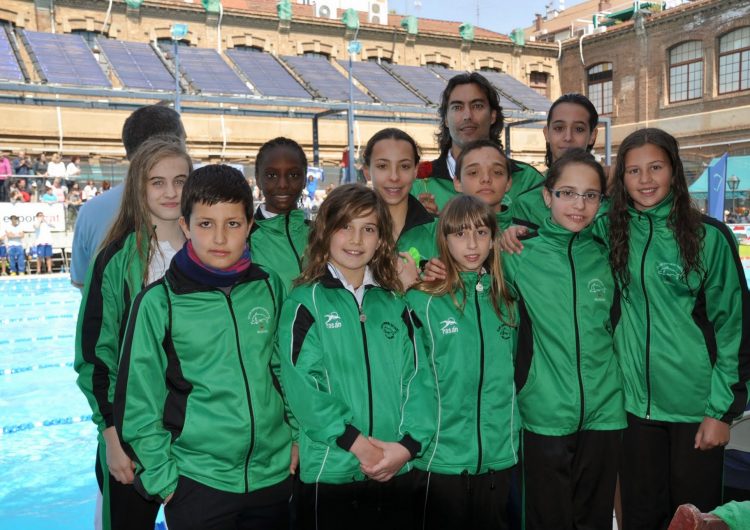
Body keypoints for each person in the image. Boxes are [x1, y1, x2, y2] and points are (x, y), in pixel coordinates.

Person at [115, 165, 292, 530]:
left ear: (249, 226)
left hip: (273, 476)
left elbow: (286, 371)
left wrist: (297, 437)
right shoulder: (159, 302)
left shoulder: (270, 286)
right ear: (185, 227)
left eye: (233, 224)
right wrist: (165, 479)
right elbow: (137, 400)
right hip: (198, 482)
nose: (220, 238)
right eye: (206, 224)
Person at [608, 128, 750, 528]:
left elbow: (734, 329)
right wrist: (515, 232)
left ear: (674, 170)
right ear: (622, 179)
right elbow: (558, 227)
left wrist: (721, 411)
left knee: (693, 519)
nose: (645, 179)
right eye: (633, 170)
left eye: (655, 167)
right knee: (641, 516)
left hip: (695, 411)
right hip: (633, 409)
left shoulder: (709, 237)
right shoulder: (610, 229)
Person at [277, 183, 436, 530]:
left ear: (381, 239)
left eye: (368, 229)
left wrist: (407, 447)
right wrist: (358, 445)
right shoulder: (305, 302)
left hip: (396, 467)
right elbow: (303, 387)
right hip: (332, 471)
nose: (355, 239)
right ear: (325, 232)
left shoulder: (395, 303)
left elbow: (419, 378)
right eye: (345, 226)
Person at [502, 149, 625, 529]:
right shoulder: (517, 252)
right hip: (543, 411)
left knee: (594, 519)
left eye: (591, 195)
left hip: (605, 412)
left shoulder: (608, 256)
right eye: (567, 193)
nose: (579, 204)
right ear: (546, 196)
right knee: (547, 520)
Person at [75, 136, 191, 530]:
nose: (172, 192)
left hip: (197, 434)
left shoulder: (211, 253)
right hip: (130, 436)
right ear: (139, 187)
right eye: (158, 182)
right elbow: (94, 356)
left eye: (181, 180)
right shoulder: (115, 259)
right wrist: (111, 437)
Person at [407, 194, 519, 530]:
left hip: (500, 458)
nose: (472, 243)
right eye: (460, 234)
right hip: (440, 460)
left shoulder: (508, 300)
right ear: (444, 239)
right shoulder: (421, 299)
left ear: (493, 238)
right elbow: (411, 381)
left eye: (481, 233)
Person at [70, 104, 186, 289]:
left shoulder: (90, 211)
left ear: (128, 151)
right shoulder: (195, 204)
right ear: (177, 146)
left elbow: (82, 283)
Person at [413, 72, 543, 214]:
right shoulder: (418, 183)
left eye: (477, 106)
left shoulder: (527, 180)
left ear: (493, 115)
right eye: (457, 107)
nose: (467, 116)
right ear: (445, 119)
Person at [510, 93, 600, 231]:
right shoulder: (526, 204)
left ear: (592, 136)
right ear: (547, 133)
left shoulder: (611, 198)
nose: (568, 137)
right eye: (559, 128)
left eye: (579, 129)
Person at [363, 127, 438, 287]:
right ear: (367, 171)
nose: (394, 177)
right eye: (383, 166)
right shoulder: (347, 234)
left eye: (404, 166)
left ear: (416, 170)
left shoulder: (441, 233)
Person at [249, 137, 310, 290]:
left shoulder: (321, 234)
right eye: (271, 175)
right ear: (258, 179)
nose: (283, 184)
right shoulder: (245, 238)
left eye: (294, 175)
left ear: (305, 179)